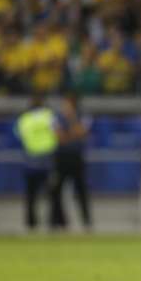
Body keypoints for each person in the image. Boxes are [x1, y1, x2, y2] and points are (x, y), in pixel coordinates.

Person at [15, 94, 58, 230]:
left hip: (31, 160)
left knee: (31, 195)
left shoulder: (24, 119)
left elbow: (19, 135)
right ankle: (53, 223)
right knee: (52, 194)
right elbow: (58, 133)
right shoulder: (49, 116)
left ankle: (31, 224)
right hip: (48, 160)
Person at [51, 96, 92, 230]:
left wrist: (72, 120)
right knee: (56, 191)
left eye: (67, 105)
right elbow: (59, 137)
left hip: (76, 158)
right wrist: (72, 135)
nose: (64, 107)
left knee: (81, 191)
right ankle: (58, 222)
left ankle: (87, 222)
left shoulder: (83, 117)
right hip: (61, 158)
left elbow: (82, 132)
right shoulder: (56, 118)